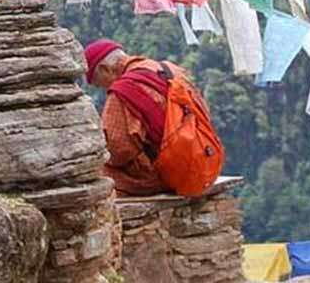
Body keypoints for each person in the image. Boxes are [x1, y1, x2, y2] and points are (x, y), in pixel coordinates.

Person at [83, 38, 221, 196]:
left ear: (105, 69)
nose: (103, 88)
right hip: (202, 158)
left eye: (99, 83)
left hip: (167, 173)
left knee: (92, 173)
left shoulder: (123, 91)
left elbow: (119, 151)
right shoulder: (170, 70)